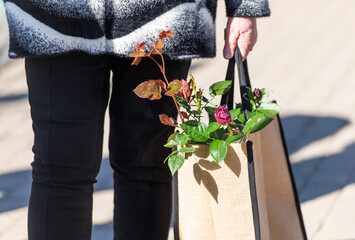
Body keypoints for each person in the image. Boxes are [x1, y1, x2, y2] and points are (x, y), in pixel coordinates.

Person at [4, 0, 270, 239]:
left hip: (163, 15)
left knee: (145, 164)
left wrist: (245, 7)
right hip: (54, 14)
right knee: (59, 166)